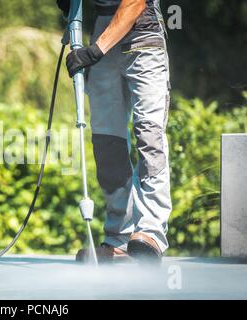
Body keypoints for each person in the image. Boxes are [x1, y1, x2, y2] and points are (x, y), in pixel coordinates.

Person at [57, 0, 171, 262]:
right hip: (102, 28)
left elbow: (134, 4)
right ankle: (119, 238)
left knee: (148, 135)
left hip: (143, 33)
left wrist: (94, 51)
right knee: (108, 142)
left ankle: (150, 232)